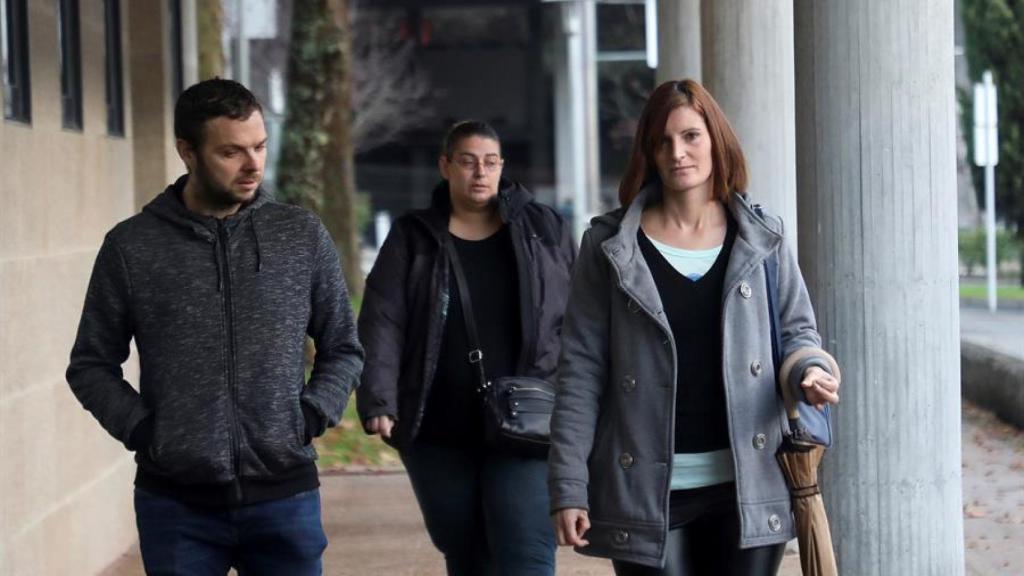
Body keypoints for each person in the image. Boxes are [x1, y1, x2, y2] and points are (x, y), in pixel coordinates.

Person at [66, 78, 364, 575]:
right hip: (176, 506)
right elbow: (91, 365)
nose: (253, 165)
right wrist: (147, 431)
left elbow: (344, 347)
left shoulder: (300, 236)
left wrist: (310, 415)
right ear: (187, 151)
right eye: (231, 152)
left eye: (259, 147)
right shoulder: (132, 247)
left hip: (284, 496)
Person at [547, 79, 842, 575]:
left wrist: (809, 372)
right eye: (663, 141)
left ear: (715, 141)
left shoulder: (761, 237)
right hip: (646, 490)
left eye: (690, 136)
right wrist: (568, 486)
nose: (677, 152)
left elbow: (797, 333)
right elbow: (580, 372)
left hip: (749, 483)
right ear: (648, 152)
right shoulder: (609, 246)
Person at [356, 120, 575, 575]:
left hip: (526, 423)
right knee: (464, 550)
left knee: (526, 553)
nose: (480, 172)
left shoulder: (543, 230)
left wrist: (578, 399)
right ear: (446, 166)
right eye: (469, 162)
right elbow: (383, 320)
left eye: (490, 163)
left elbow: (576, 316)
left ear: (502, 167)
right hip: (438, 426)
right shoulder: (414, 236)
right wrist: (379, 398)